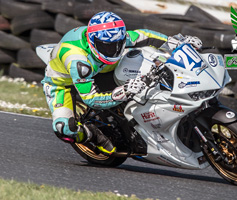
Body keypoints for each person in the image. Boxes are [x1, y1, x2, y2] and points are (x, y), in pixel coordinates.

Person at [41, 11, 202, 155]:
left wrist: (175, 42)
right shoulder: (78, 61)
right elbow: (91, 99)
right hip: (63, 84)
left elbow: (144, 36)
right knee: (64, 128)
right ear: (93, 42)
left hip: (103, 69)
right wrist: (123, 92)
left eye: (118, 44)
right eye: (107, 46)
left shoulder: (114, 37)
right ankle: (93, 135)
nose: (115, 49)